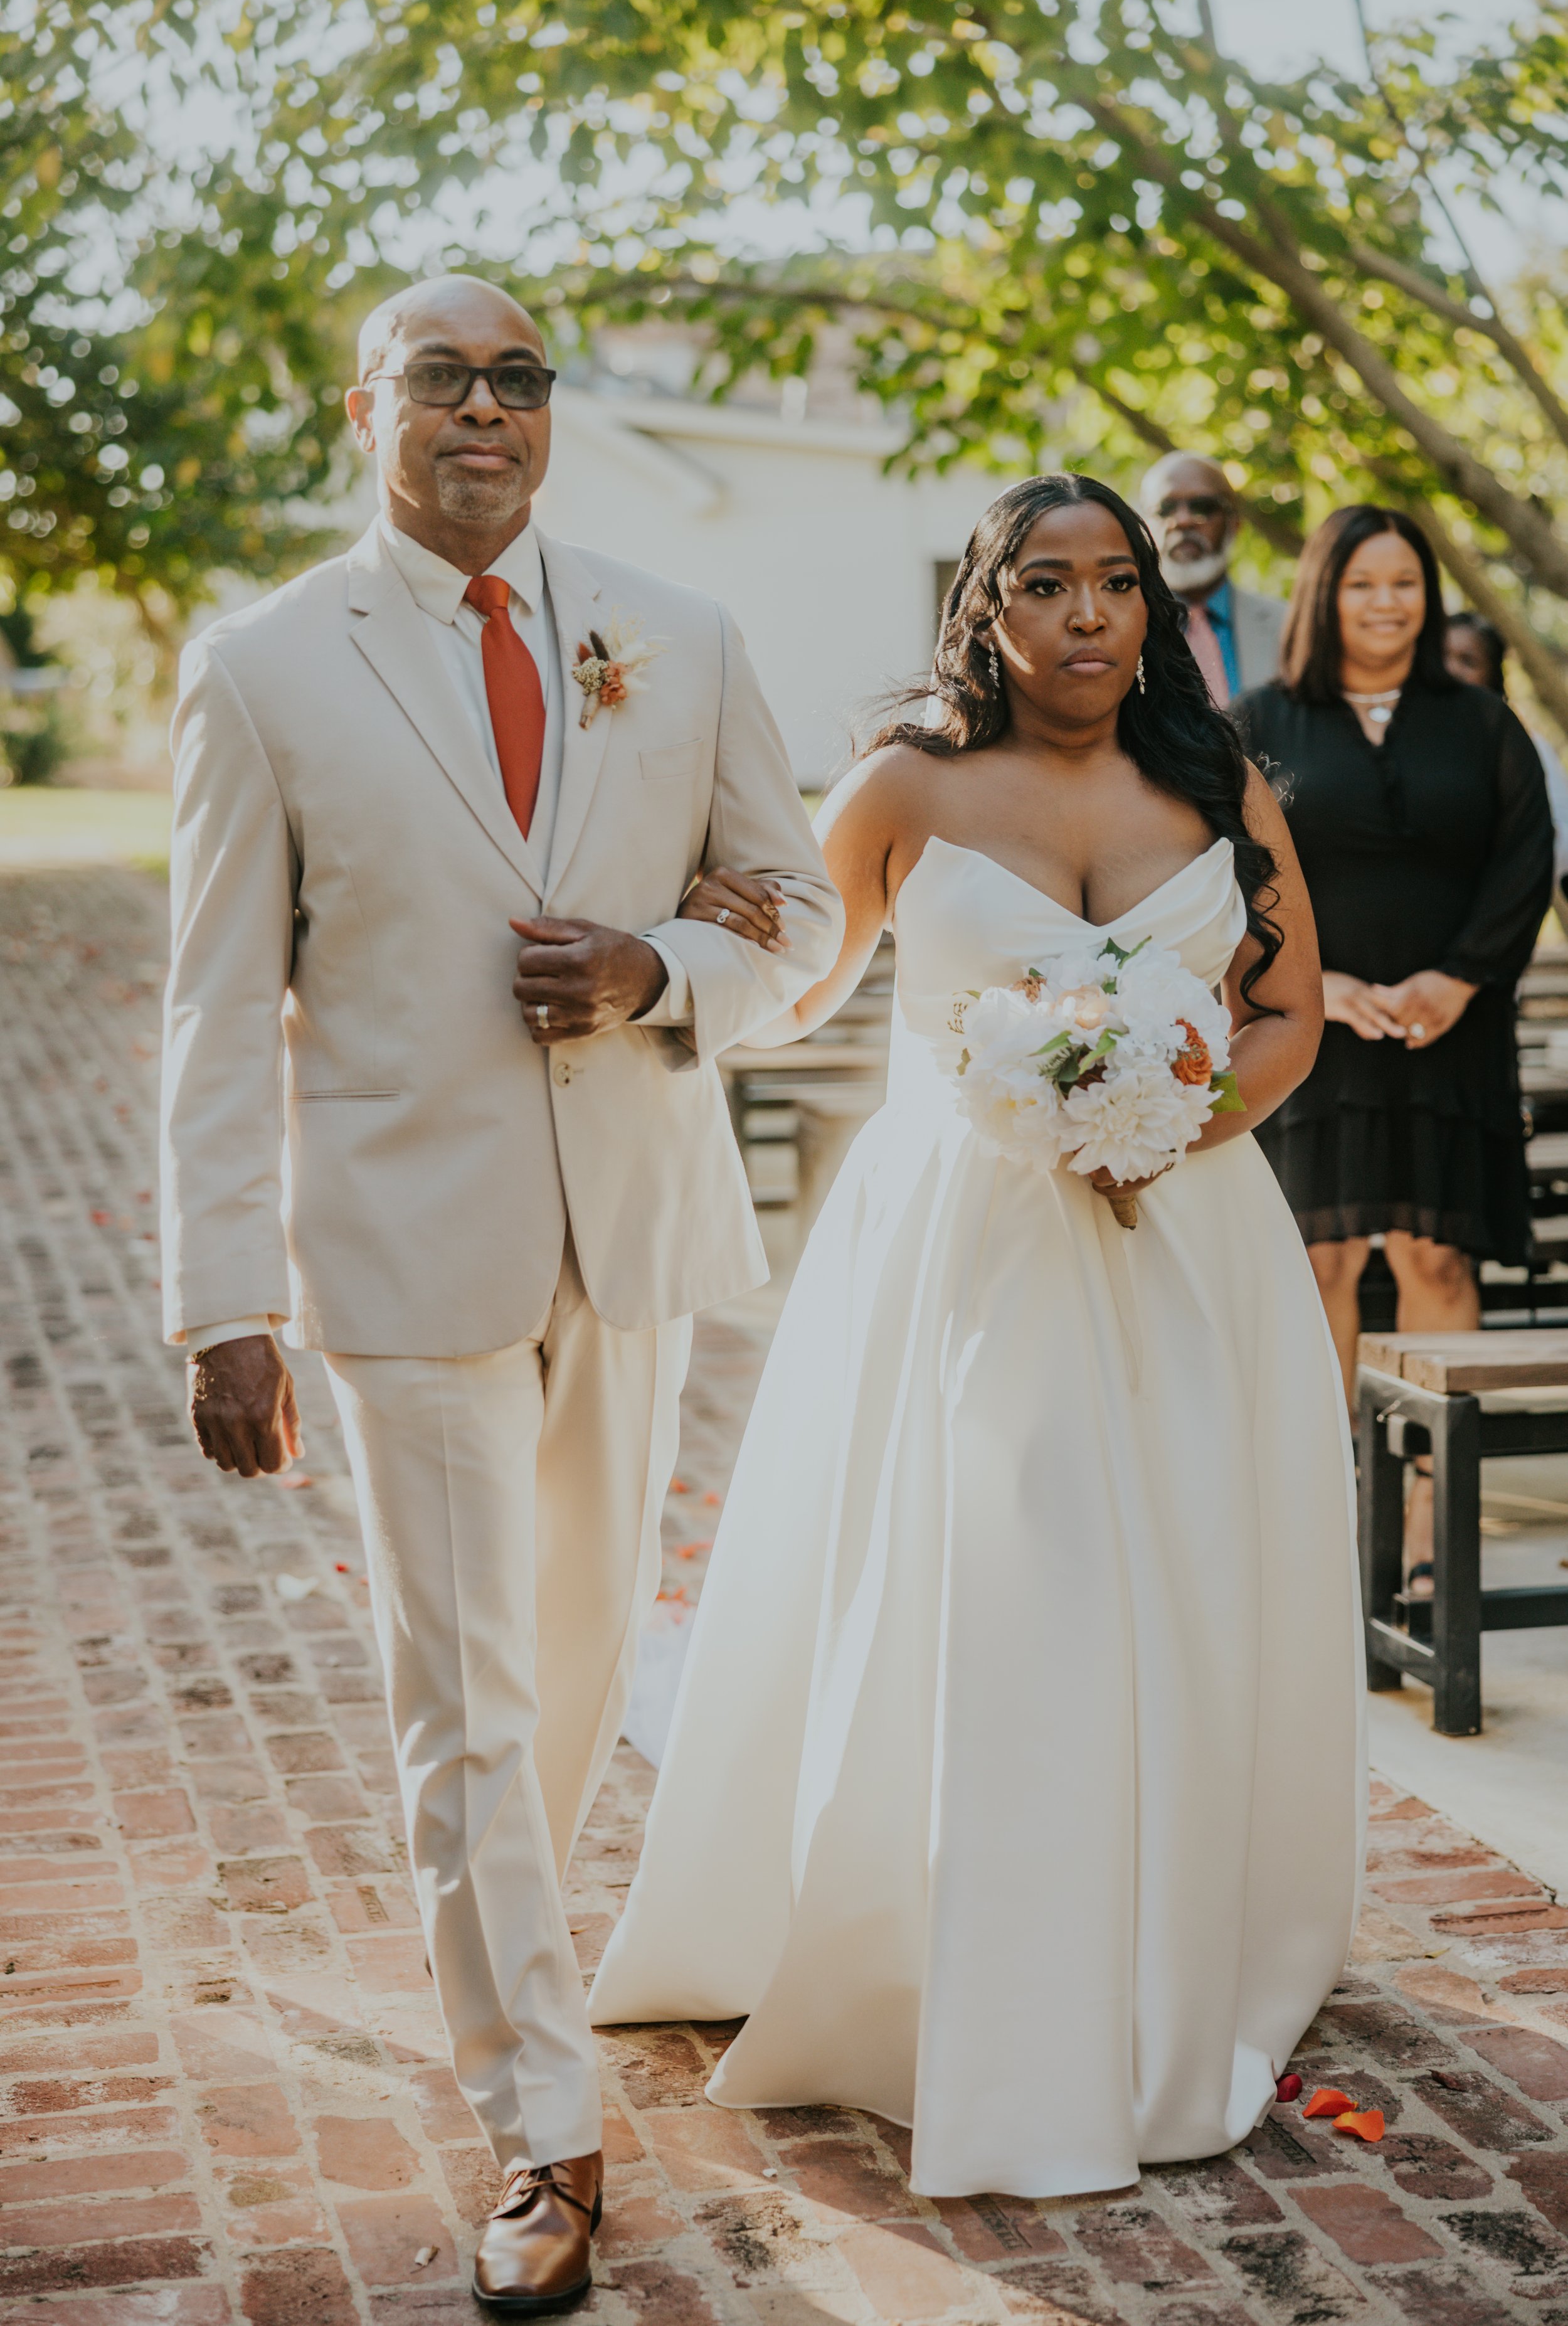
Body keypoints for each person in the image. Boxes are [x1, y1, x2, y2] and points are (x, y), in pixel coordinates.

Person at [159, 273, 842, 2312]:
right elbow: (210, 1012)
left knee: (559, 1674)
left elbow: (801, 920)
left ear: (553, 413)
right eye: (445, 374)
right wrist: (221, 1301)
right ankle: (544, 2119)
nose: (487, 405)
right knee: (463, 1695)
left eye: (519, 376)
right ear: (365, 404)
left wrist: (661, 971)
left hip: (624, 1226)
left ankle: (499, 1965)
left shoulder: (680, 636)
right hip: (400, 1242)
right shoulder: (265, 665)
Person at [588, 474, 1364, 2200]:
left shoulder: (1219, 785)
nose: (1087, 614)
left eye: (1115, 583)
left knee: (1171, 1573)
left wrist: (1167, 1125)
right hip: (967, 1246)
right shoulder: (898, 788)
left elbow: (1286, 1008)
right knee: (1002, 1576)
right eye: (1046, 583)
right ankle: (949, 1952)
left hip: (1182, 1236)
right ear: (986, 606)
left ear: (1150, 610)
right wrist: (661, 952)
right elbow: (792, 979)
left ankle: (1163, 1939)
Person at [1234, 511, 1553, 1438]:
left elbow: (1524, 860)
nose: (1386, 604)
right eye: (1362, 584)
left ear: (1430, 596)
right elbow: (1222, 868)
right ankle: (1330, 1509)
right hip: (1304, 1039)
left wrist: (1460, 979)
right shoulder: (1258, 722)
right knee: (1316, 1261)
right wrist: (1310, 988)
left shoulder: (1484, 723)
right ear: (1322, 595)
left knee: (1438, 1261)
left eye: (1404, 584)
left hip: (1448, 1035)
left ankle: (1425, 1520)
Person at [1446, 610, 1568, 916]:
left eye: (1467, 661)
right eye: (1440, 656)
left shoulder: (1525, 750)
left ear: (1493, 677)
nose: (1450, 670)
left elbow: (1556, 846)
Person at [1140, 451, 1286, 703]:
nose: (1182, 521)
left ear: (1235, 524)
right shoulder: (1123, 628)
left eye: (1202, 507)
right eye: (1165, 510)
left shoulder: (1289, 626)